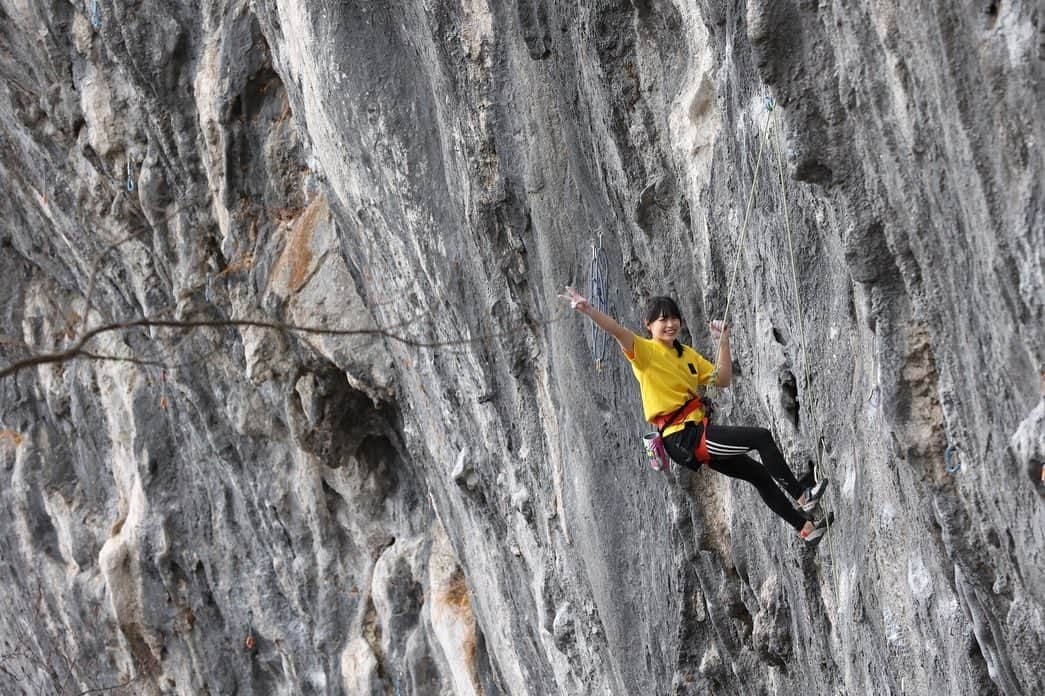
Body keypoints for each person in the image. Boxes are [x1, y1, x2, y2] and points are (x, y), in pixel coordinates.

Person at [560, 287, 832, 543]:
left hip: (694, 431)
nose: (670, 325)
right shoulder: (645, 352)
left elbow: (722, 379)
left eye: (674, 318)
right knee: (761, 438)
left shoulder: (686, 355)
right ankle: (802, 496)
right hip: (683, 437)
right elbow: (617, 331)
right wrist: (588, 309)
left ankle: (805, 529)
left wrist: (723, 342)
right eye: (662, 320)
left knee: (758, 475)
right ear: (648, 325)